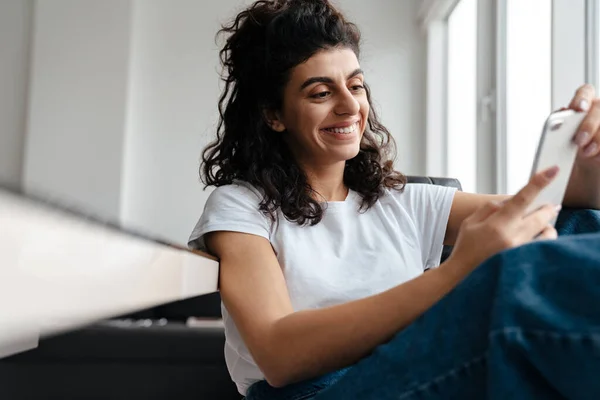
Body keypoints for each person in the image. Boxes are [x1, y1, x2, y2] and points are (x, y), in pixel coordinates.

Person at [188, 0, 600, 398]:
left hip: (411, 369)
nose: (350, 106)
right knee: (516, 312)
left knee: (578, 226)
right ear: (273, 114)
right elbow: (278, 355)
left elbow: (554, 206)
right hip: (312, 393)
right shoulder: (240, 206)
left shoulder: (401, 202)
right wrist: (457, 271)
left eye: (355, 85)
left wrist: (586, 160)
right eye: (320, 93)